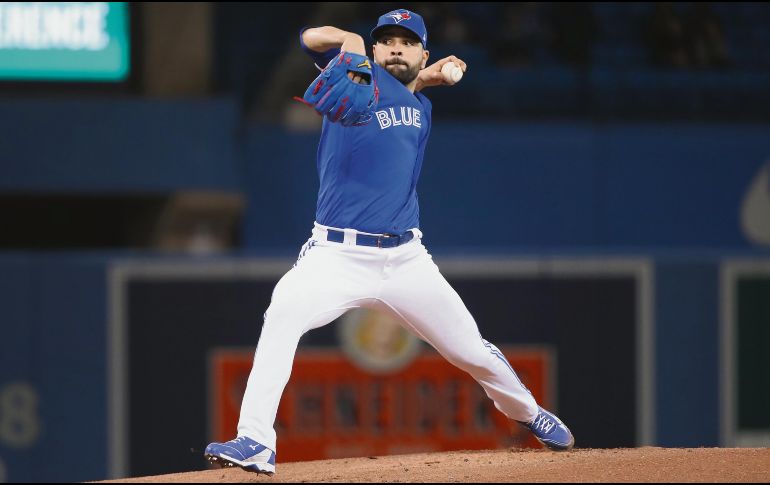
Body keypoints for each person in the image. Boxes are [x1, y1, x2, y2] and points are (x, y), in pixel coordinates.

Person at [204, 9, 574, 475]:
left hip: (405, 260)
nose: (395, 47)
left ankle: (528, 412)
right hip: (336, 255)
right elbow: (309, 37)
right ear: (376, 52)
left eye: (407, 41)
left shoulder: (420, 105)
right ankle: (256, 440)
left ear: (423, 53)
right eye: (387, 41)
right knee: (281, 316)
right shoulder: (354, 76)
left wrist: (427, 82)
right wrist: (350, 38)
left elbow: (401, 96)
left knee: (471, 351)